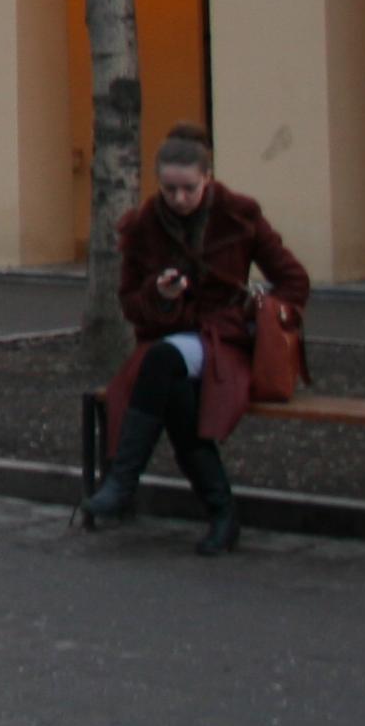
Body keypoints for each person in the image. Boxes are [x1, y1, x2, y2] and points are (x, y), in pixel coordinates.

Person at [79, 122, 308, 555]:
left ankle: (123, 480)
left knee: (160, 363)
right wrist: (159, 296)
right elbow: (130, 303)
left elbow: (294, 282)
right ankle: (222, 516)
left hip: (226, 343)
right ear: (157, 182)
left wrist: (256, 313)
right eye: (169, 189)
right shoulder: (143, 226)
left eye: (189, 188)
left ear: (208, 176)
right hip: (175, 341)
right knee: (176, 397)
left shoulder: (239, 215)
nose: (179, 199)